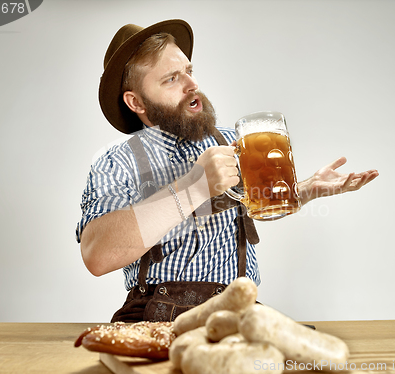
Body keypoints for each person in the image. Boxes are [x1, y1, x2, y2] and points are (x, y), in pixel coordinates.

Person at [75, 19, 378, 322]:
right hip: (155, 312)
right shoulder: (117, 160)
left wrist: (305, 189)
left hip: (238, 309)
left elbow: (262, 200)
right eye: (171, 79)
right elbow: (97, 255)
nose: (192, 85)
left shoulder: (233, 141)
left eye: (189, 72)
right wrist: (195, 187)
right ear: (136, 101)